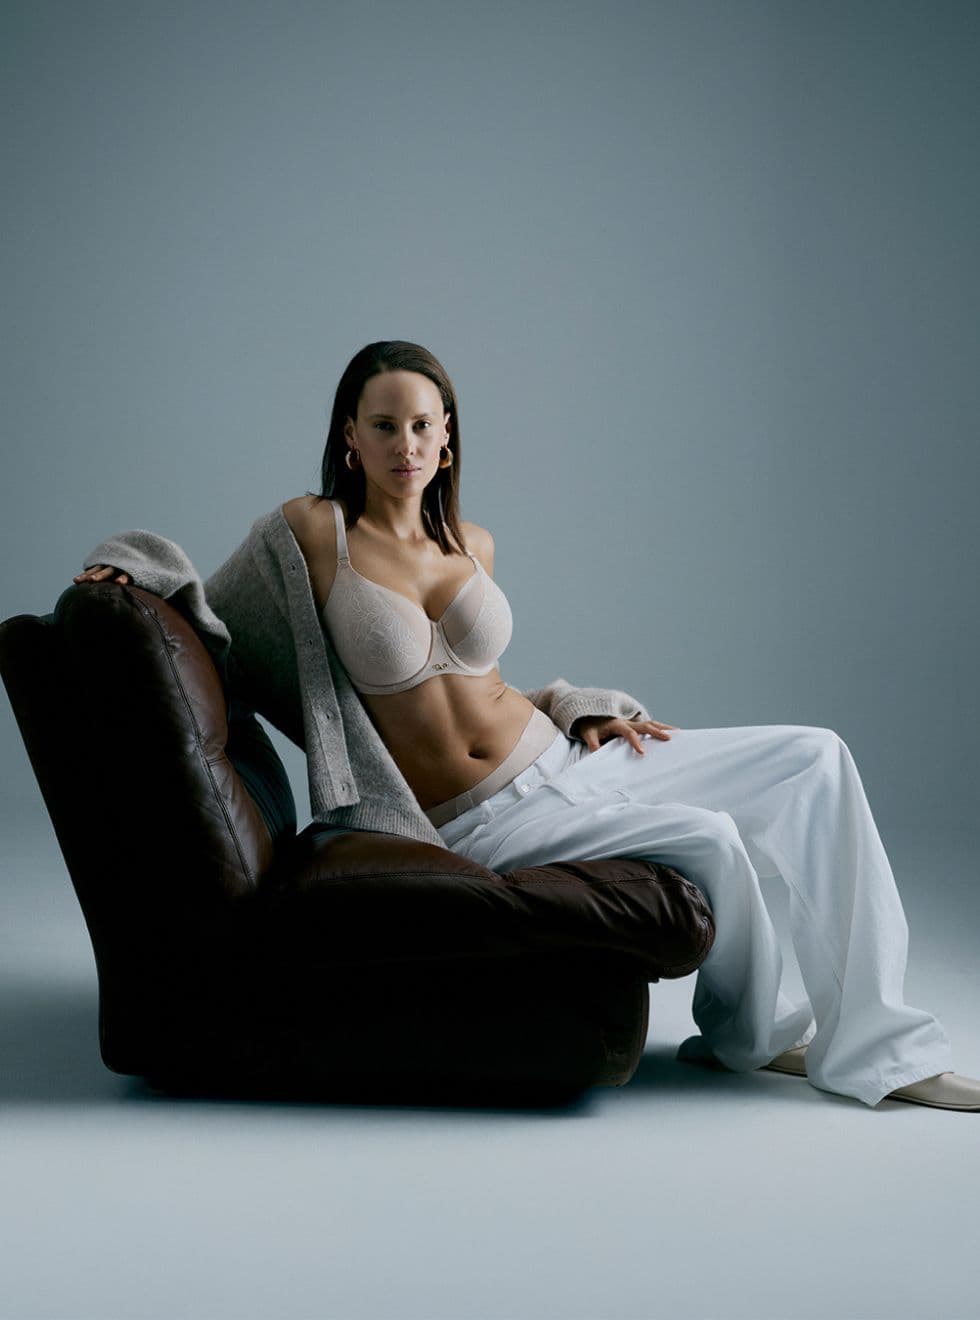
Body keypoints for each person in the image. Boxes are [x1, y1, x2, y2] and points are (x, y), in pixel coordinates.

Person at [74, 339, 979, 1111]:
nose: (406, 443)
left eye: (424, 424)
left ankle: (878, 1042)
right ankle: (750, 1037)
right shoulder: (310, 535)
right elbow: (208, 615)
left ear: (448, 435)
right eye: (384, 424)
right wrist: (130, 566)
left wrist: (576, 708)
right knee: (706, 840)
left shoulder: (473, 540)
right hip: (484, 816)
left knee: (815, 758)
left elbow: (490, 683)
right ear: (348, 436)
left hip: (563, 762)